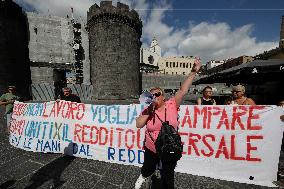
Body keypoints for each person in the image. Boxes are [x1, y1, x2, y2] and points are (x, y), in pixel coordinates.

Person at [135, 58, 201, 189]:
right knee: (148, 168)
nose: (154, 97)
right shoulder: (148, 109)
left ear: (163, 96)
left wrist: (193, 72)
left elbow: (182, 90)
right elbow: (139, 124)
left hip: (169, 146)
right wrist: (149, 109)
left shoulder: (172, 104)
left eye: (157, 94)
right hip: (151, 147)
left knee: (168, 175)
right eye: (151, 95)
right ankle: (144, 176)